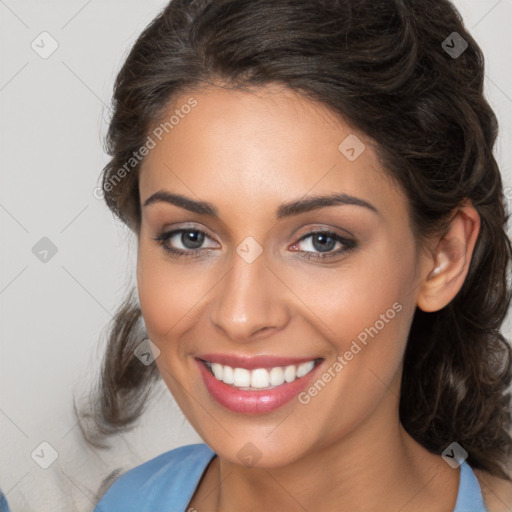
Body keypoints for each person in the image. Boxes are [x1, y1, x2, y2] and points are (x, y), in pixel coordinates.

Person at [82, 0, 512, 510]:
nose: (240, 316)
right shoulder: (129, 502)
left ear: (442, 257)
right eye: (190, 238)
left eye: (320, 241)